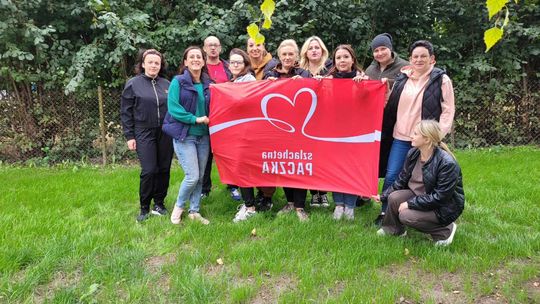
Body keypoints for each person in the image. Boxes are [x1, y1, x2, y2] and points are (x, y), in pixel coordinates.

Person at [375, 40, 456, 227]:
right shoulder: (402, 78)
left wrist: (437, 136)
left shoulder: (441, 80)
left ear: (432, 59)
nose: (419, 60)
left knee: (426, 179)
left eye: (423, 56)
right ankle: (386, 212)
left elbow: (448, 110)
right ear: (409, 59)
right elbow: (390, 102)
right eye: (415, 57)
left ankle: (431, 212)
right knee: (392, 175)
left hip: (425, 140)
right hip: (401, 137)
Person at [376, 120, 464, 247]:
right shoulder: (413, 153)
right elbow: (401, 180)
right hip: (420, 195)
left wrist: (409, 204)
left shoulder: (447, 163)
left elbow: (440, 198)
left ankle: (446, 231)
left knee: (406, 216)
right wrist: (383, 196)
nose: (411, 136)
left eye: (416, 134)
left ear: (427, 139)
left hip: (443, 206)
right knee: (393, 198)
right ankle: (394, 229)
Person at [120, 49, 173, 223]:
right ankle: (144, 207)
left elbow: (173, 108)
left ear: (160, 65)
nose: (153, 65)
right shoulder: (133, 84)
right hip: (143, 131)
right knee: (150, 170)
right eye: (150, 62)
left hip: (165, 131)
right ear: (143, 64)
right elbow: (126, 112)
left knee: (164, 168)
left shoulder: (167, 84)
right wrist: (129, 136)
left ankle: (159, 203)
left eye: (156, 63)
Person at [162, 46, 212, 225]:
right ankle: (179, 207)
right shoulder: (178, 81)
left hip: (204, 137)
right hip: (185, 135)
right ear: (185, 62)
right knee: (192, 175)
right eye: (192, 57)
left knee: (200, 176)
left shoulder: (208, 83)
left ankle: (194, 211)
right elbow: (174, 108)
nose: (196, 59)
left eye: (199, 57)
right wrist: (195, 119)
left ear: (204, 61)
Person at [264, 39, 310, 221]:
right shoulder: (270, 74)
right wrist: (268, 84)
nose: (287, 57)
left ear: (297, 56)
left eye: (291, 54)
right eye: (284, 54)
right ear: (279, 56)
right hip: (278, 128)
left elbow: (316, 95)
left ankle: (300, 207)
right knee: (284, 165)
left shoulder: (304, 73)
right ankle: (290, 202)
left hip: (300, 129)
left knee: (298, 166)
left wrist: (305, 82)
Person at [324, 44, 368, 220]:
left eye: (345, 57)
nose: (342, 60)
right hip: (333, 133)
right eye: (338, 58)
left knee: (351, 169)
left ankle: (350, 206)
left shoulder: (363, 78)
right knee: (336, 169)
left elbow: (371, 102)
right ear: (334, 61)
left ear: (352, 60)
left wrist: (363, 86)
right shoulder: (328, 79)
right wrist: (320, 84)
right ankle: (339, 204)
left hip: (355, 133)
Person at [221, 48, 261, 222]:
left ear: (245, 65)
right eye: (232, 62)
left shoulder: (249, 80)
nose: (235, 65)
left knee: (243, 169)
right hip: (236, 132)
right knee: (241, 169)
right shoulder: (234, 81)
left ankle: (250, 207)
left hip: (247, 133)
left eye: (239, 62)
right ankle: (249, 203)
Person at [201, 36, 241, 201]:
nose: (212, 48)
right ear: (204, 48)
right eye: (209, 45)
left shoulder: (228, 66)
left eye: (215, 45)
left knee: (228, 154)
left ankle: (233, 186)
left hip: (227, 118)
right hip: (206, 116)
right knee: (205, 154)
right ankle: (204, 188)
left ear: (220, 48)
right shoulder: (200, 68)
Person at [299, 36, 333, 207]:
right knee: (309, 158)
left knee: (323, 158)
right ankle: (314, 193)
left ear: (322, 51)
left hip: (325, 120)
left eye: (317, 47)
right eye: (310, 47)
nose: (314, 50)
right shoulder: (299, 71)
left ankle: (323, 193)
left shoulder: (331, 69)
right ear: (305, 51)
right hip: (305, 120)